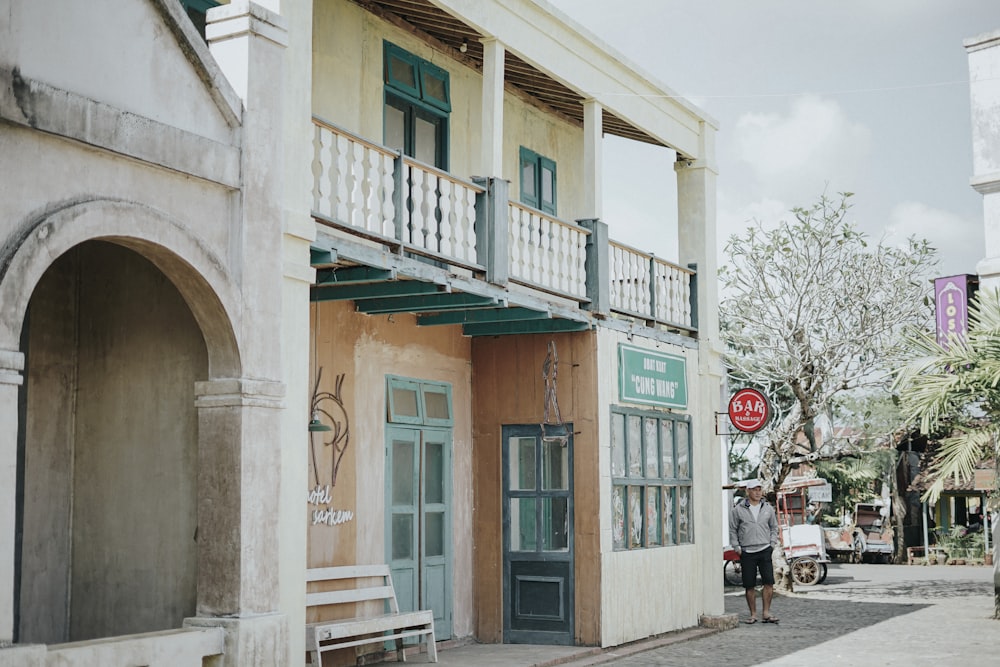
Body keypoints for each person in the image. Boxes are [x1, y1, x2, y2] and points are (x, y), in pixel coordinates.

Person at [729, 479, 780, 624]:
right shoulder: (738, 510)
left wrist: (772, 543)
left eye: (759, 489)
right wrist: (737, 547)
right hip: (747, 551)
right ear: (748, 491)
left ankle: (766, 613)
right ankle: (753, 614)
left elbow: (774, 527)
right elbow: (733, 529)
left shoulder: (767, 508)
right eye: (754, 489)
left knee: (769, 582)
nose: (758, 492)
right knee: (749, 585)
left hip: (765, 549)